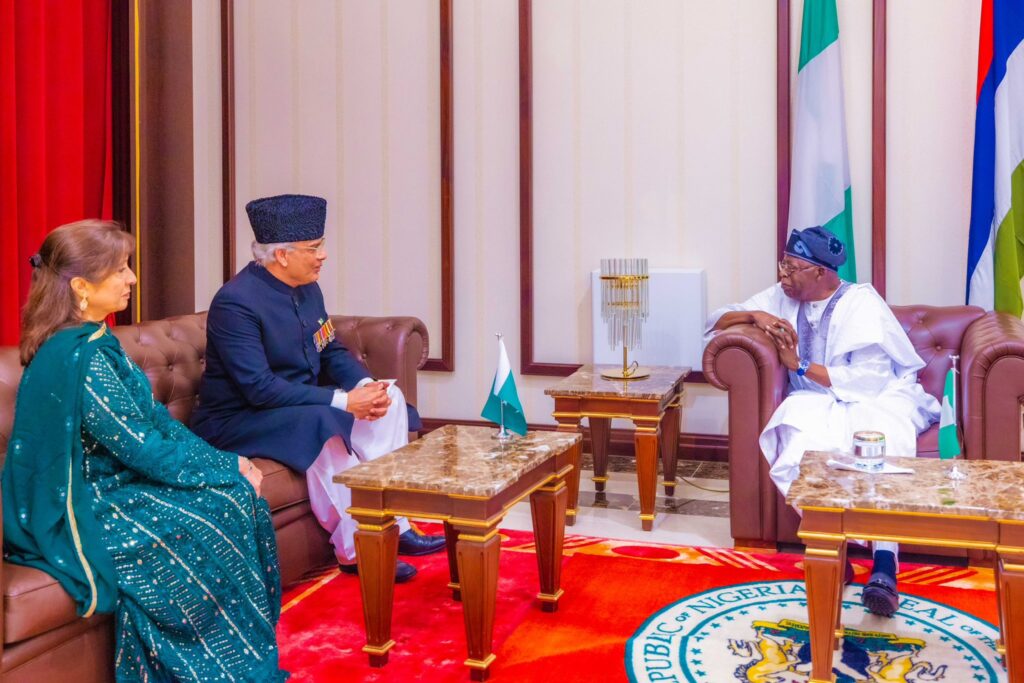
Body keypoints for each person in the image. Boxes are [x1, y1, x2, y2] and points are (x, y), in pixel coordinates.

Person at [2, 220, 286, 681]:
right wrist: (225, 466)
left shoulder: (97, 340)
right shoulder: (79, 357)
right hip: (87, 501)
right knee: (214, 513)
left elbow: (155, 424)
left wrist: (227, 463)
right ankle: (215, 667)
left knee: (233, 496)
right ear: (80, 285)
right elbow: (143, 450)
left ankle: (241, 657)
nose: (132, 278)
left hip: (119, 480)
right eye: (120, 269)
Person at [190, 194, 445, 584]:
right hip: (240, 418)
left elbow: (329, 350)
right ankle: (358, 548)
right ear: (281, 256)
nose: (323, 255)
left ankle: (395, 524)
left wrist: (364, 385)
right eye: (314, 248)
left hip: (294, 404)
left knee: (389, 399)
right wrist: (343, 401)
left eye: (321, 244)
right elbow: (258, 388)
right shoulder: (235, 303)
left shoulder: (307, 288)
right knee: (325, 420)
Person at [705, 226, 940, 618]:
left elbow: (869, 380)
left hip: (878, 397)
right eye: (782, 265)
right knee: (796, 446)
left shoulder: (860, 302)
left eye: (792, 268)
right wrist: (754, 314)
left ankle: (885, 564)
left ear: (820, 272)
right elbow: (716, 320)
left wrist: (799, 365)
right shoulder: (782, 295)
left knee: (877, 447)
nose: (782, 275)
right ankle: (834, 546)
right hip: (817, 398)